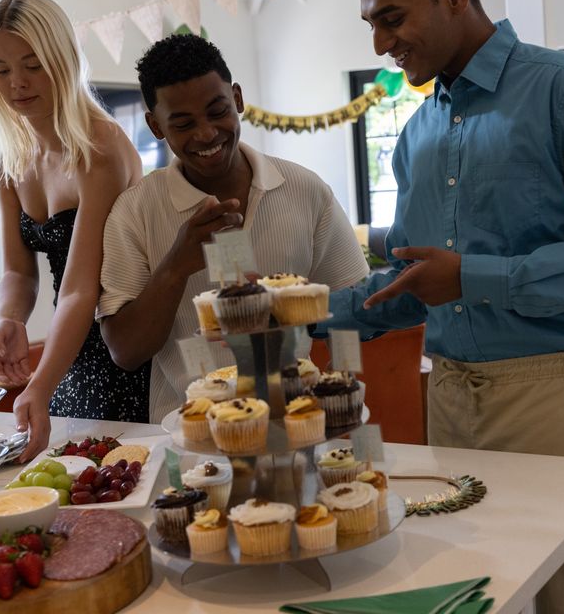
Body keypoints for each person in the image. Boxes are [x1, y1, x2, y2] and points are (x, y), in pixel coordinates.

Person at [321, 0, 564, 614]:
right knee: (472, 592)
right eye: (372, 26)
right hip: (448, 400)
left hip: (555, 399)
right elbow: (414, 285)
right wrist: (302, 313)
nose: (381, 43)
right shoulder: (415, 135)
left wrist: (472, 277)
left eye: (392, 18)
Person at [97, 33, 368, 422]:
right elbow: (125, 352)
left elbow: (353, 312)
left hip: (294, 423)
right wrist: (175, 266)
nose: (206, 133)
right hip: (187, 432)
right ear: (156, 126)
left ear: (238, 98)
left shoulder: (305, 190)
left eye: (217, 111)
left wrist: (342, 396)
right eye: (183, 123)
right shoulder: (134, 212)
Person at [0, 0, 150, 462]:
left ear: (63, 59)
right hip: (69, 350)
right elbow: (18, 271)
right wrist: (9, 318)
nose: (17, 83)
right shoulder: (12, 158)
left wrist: (40, 382)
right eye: (0, 70)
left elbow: (80, 289)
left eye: (32, 65)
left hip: (124, 348)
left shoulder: (100, 148)